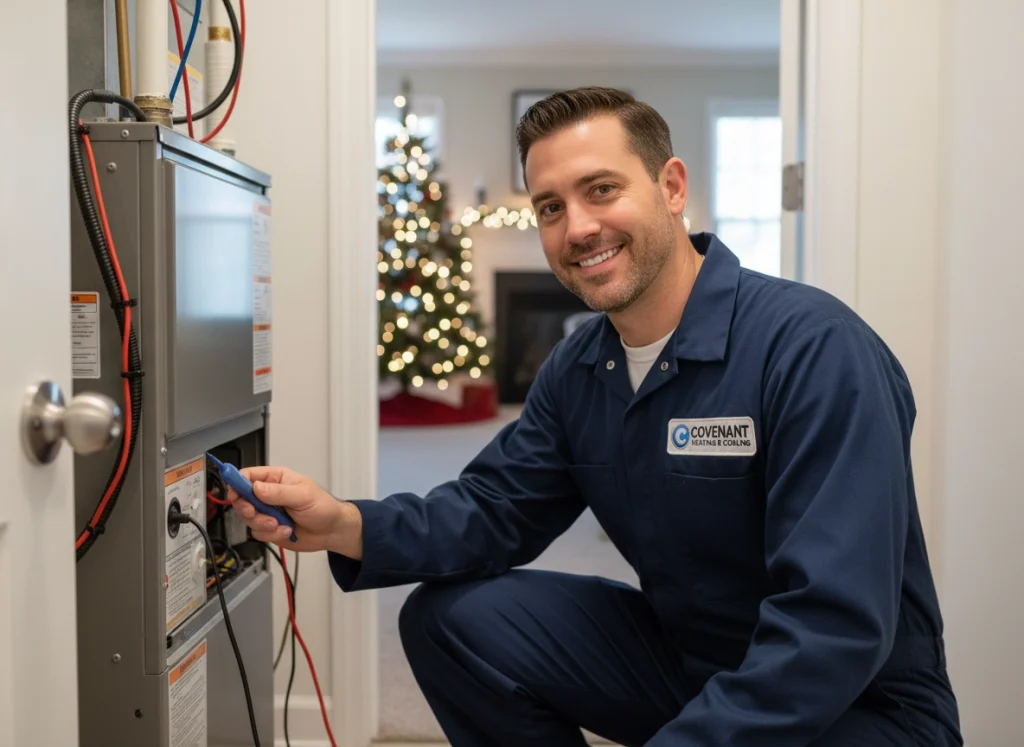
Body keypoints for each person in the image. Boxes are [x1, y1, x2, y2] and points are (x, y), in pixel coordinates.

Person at [228, 87, 962, 746]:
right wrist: (343, 522)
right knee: (452, 621)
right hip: (692, 664)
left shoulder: (813, 349)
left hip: (862, 708)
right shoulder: (582, 368)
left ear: (672, 187)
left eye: (601, 189)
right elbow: (494, 509)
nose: (577, 226)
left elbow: (832, 626)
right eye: (550, 206)